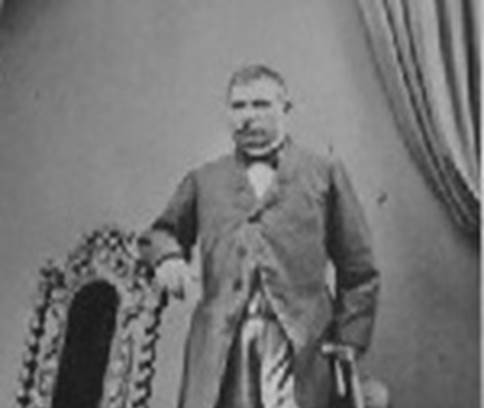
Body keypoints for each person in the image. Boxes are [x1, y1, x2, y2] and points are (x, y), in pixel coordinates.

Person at [138, 64, 386, 408]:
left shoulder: (324, 174)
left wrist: (348, 339)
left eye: (260, 105)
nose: (247, 117)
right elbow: (159, 234)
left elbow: (359, 270)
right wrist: (167, 257)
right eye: (238, 106)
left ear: (285, 109)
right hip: (221, 344)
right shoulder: (204, 179)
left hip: (300, 343)